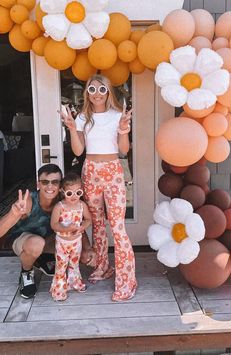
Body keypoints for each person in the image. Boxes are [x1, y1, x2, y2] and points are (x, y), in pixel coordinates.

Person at [61, 74, 137, 302]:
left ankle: (126, 281)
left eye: (101, 89)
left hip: (112, 170)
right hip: (90, 170)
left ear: (108, 92)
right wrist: (72, 129)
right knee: (96, 224)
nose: (96, 93)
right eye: (91, 89)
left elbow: (124, 150)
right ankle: (102, 267)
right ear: (87, 93)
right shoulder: (84, 116)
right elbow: (77, 151)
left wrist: (124, 129)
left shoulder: (117, 117)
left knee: (117, 226)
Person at [4, 163, 96, 299]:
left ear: (61, 186)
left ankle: (41, 259)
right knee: (36, 244)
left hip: (51, 240)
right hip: (25, 241)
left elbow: (77, 225)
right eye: (45, 182)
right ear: (38, 184)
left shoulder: (67, 199)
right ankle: (26, 272)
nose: (50, 186)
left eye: (55, 182)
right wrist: (13, 213)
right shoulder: (29, 201)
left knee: (83, 256)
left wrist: (88, 247)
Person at [50, 172, 91, 301]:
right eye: (69, 193)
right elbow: (54, 224)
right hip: (62, 243)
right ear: (63, 192)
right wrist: (66, 228)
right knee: (61, 266)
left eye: (78, 193)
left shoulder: (82, 205)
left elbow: (89, 219)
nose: (74, 197)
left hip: (76, 242)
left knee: (74, 264)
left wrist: (83, 226)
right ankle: (59, 289)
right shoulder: (60, 207)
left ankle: (75, 282)